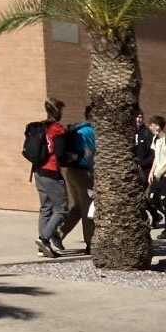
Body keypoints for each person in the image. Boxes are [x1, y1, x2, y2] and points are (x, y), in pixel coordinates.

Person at [30, 98, 70, 259]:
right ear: (58, 112)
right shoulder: (57, 129)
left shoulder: (40, 126)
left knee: (46, 208)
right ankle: (44, 239)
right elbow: (60, 153)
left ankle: (42, 248)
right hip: (51, 171)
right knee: (61, 208)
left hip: (37, 171)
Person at [56, 105, 96, 253]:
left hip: (71, 171)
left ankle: (57, 234)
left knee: (77, 208)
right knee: (88, 209)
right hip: (84, 173)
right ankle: (91, 243)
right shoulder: (91, 132)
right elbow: (91, 154)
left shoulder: (77, 128)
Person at [145, 115, 166, 236]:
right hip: (157, 175)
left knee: (163, 200)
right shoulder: (155, 140)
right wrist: (152, 172)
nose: (150, 127)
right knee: (152, 199)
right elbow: (156, 158)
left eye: (152, 124)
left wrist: (162, 171)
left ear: (158, 126)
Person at [132, 110, 153, 184]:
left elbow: (152, 153)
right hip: (131, 168)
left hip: (144, 170)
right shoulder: (130, 132)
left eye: (140, 117)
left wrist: (142, 163)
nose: (138, 119)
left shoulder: (147, 133)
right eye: (136, 117)